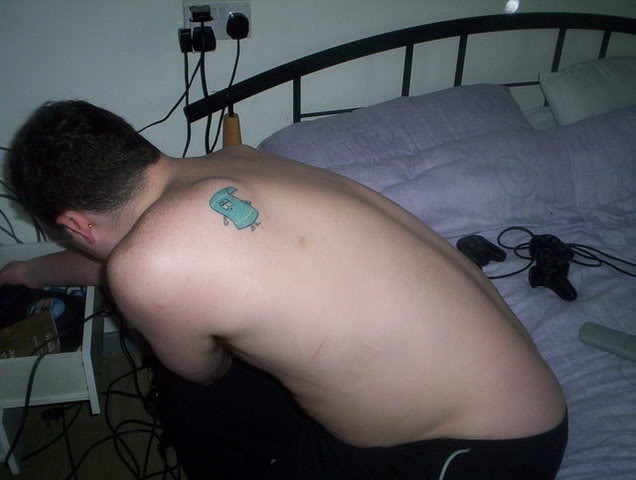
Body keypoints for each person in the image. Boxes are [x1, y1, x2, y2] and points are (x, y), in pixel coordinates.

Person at [1, 100, 567, 479]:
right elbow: (148, 262)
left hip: (481, 453)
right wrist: (34, 273)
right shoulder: (232, 161)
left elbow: (201, 369)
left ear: (75, 224)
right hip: (520, 395)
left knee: (190, 393)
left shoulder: (150, 264)